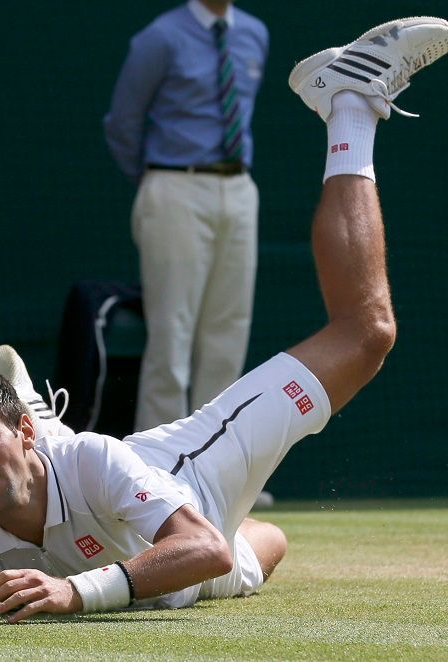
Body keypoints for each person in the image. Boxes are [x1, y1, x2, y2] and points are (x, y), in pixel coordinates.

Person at [0, 17, 448, 622]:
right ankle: (32, 420)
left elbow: (199, 548)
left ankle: (347, 103)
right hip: (177, 567)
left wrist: (74, 591)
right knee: (265, 547)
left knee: (367, 336)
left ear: (18, 437)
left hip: (190, 478)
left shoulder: (94, 461)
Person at [103, 0, 269, 432]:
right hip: (174, 185)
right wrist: (157, 181)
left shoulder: (254, 34)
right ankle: (157, 474)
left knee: (229, 332)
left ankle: (219, 470)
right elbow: (122, 121)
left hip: (238, 187)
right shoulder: (160, 37)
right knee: (171, 334)